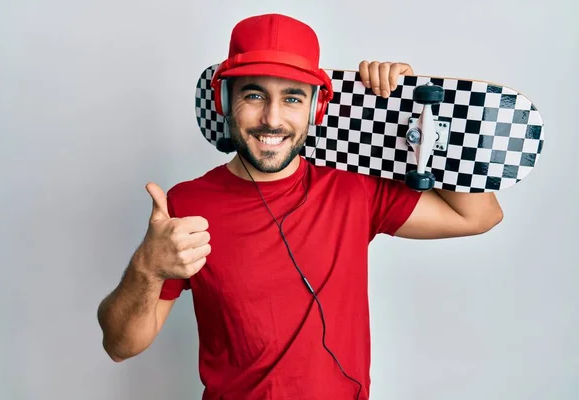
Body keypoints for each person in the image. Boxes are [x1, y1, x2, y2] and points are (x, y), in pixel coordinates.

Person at [97, 13, 503, 400]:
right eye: (254, 95)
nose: (272, 119)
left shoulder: (354, 187)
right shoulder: (187, 204)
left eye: (292, 98)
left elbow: (479, 215)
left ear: (316, 108)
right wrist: (146, 268)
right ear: (224, 101)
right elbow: (121, 345)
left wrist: (424, 115)